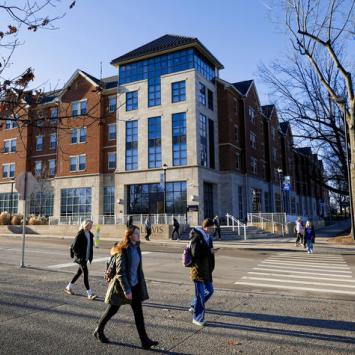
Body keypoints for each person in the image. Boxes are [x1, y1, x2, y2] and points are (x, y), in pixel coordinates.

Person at [93, 225, 159, 350]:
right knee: (112, 310)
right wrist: (127, 290)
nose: (139, 235)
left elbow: (137, 269)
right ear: (129, 235)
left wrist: (139, 285)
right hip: (122, 287)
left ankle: (144, 341)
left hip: (135, 286)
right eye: (136, 233)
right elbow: (120, 273)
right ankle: (98, 330)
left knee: (139, 314)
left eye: (139, 233)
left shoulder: (137, 247)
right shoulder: (123, 250)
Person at [188, 218, 215, 326]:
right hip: (198, 270)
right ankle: (197, 318)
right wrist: (209, 251)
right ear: (206, 227)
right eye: (211, 228)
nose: (213, 230)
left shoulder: (208, 237)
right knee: (201, 296)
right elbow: (195, 253)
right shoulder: (197, 236)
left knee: (210, 290)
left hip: (206, 270)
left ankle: (194, 305)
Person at [65, 220, 97, 300]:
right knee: (85, 274)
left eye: (91, 225)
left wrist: (89, 256)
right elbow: (74, 247)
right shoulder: (80, 234)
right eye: (90, 225)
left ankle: (68, 287)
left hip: (86, 257)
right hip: (81, 258)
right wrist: (79, 257)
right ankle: (90, 294)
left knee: (78, 273)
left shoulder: (90, 234)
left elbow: (89, 247)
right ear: (85, 225)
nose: (91, 226)